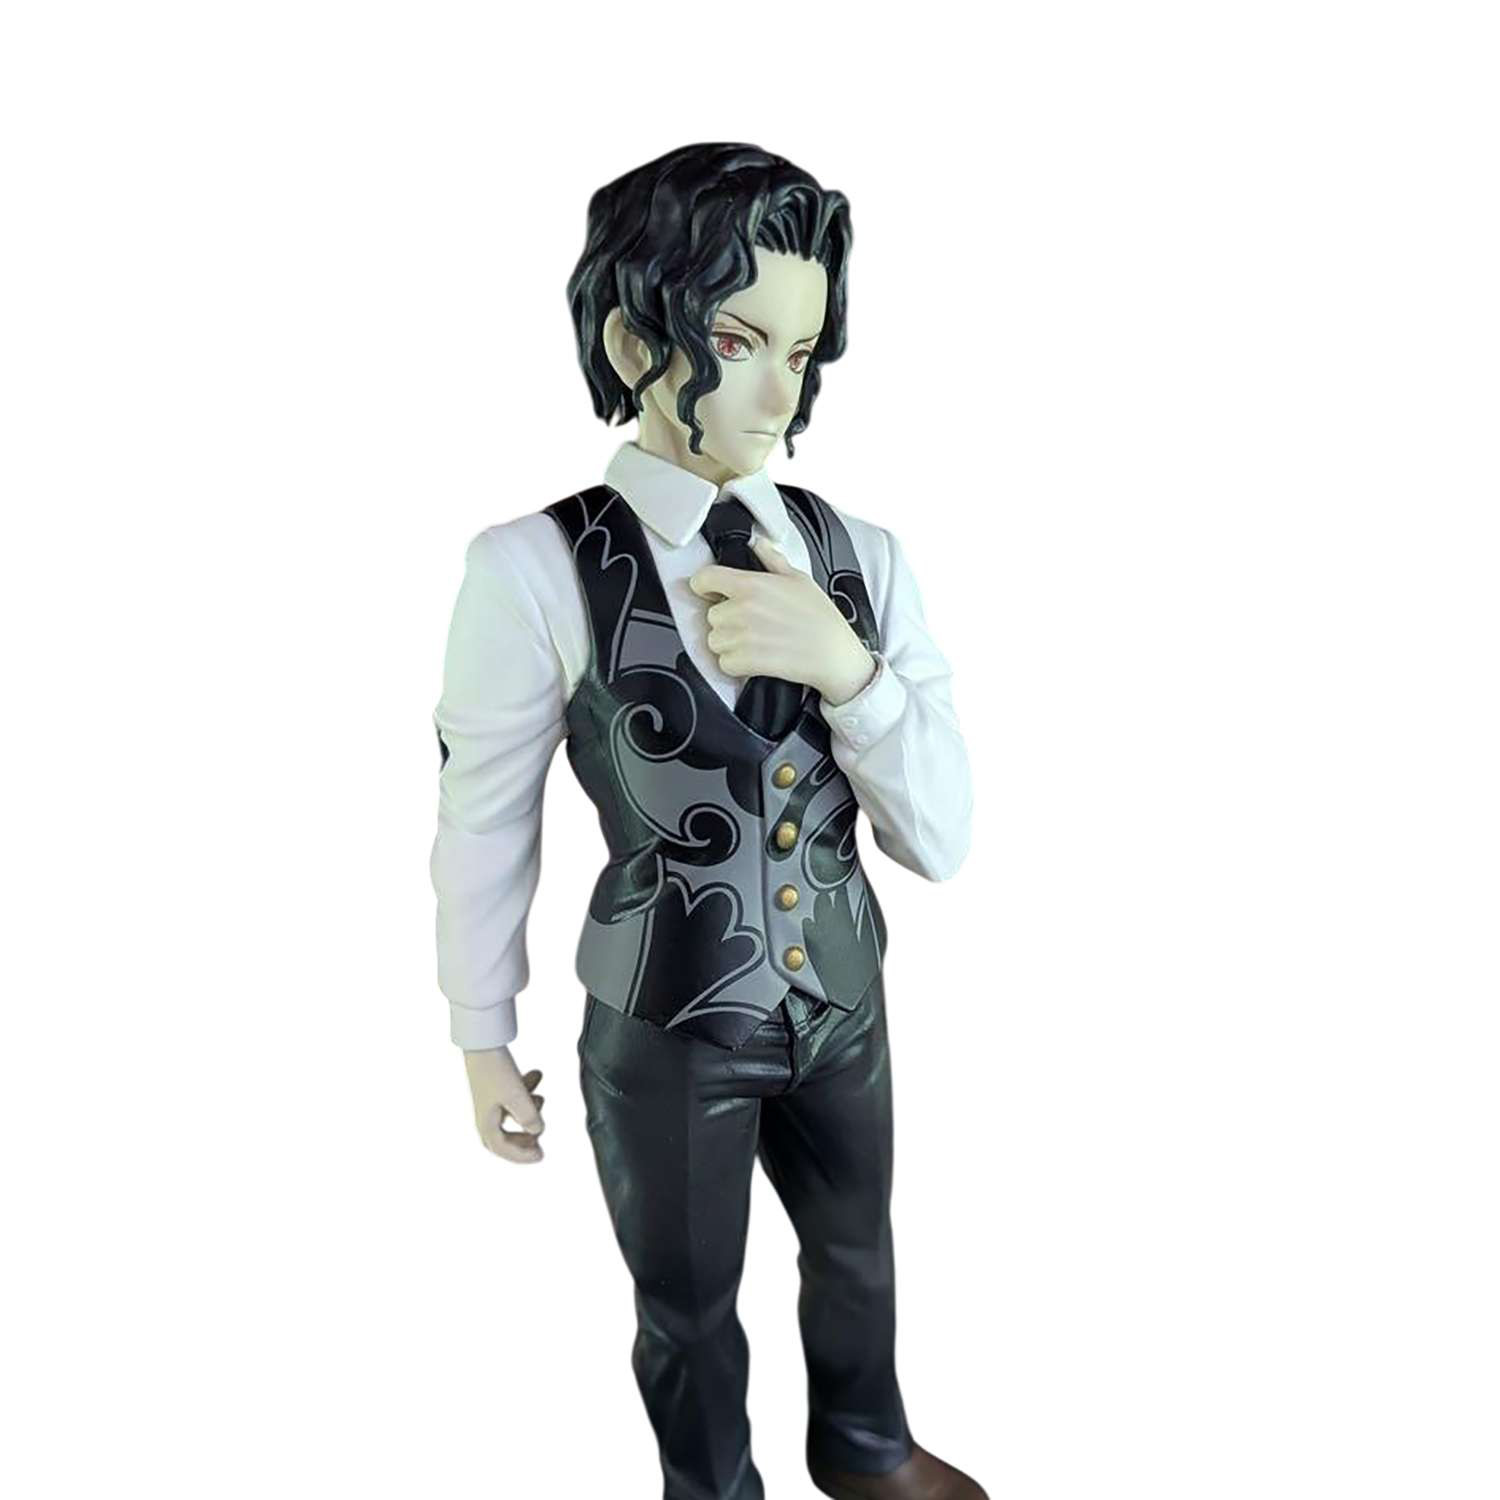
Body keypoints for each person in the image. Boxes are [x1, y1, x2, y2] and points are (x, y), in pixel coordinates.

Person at [431, 142, 985, 1500]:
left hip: (843, 1004)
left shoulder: (860, 558)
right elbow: (484, 816)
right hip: (668, 1021)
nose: (779, 392)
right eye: (736, 342)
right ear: (636, 340)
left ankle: (864, 1447)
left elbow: (943, 838)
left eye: (801, 350)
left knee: (858, 1252)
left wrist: (848, 671)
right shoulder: (533, 567)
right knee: (685, 1306)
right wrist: (479, 1028)